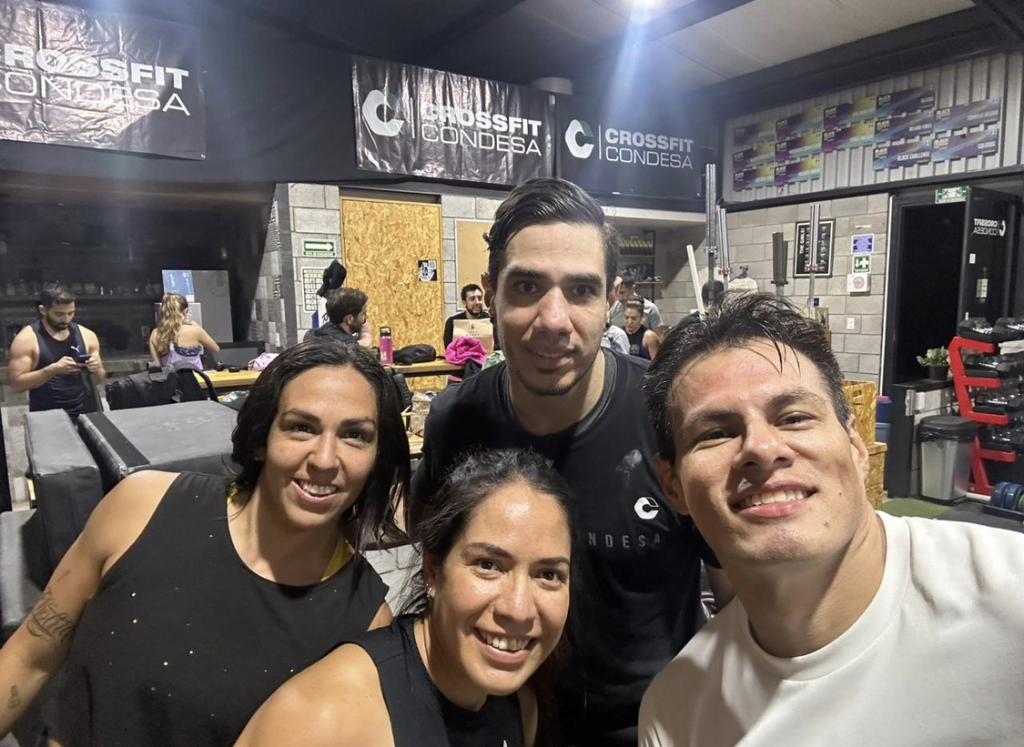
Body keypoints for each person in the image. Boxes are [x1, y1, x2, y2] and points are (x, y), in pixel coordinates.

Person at [640, 292, 1024, 746]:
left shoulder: (1009, 596)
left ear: (857, 447)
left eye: (794, 418)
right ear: (673, 486)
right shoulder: (678, 712)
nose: (762, 448)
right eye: (716, 433)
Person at [411, 177, 715, 746]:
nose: (553, 320)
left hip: (654, 727)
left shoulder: (668, 415)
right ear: (490, 292)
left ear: (611, 300)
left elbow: (740, 598)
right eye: (527, 286)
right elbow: (434, 575)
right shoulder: (455, 422)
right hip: (498, 723)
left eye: (580, 290)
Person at [0, 340, 409, 745]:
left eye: (355, 435)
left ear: (377, 457)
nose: (324, 459)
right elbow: (29, 657)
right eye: (301, 427)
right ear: (261, 437)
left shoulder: (367, 622)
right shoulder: (140, 507)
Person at [239, 448, 577, 747]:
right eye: (487, 565)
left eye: (548, 574)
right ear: (433, 571)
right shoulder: (325, 719)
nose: (518, 609)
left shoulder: (520, 708)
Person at [8, 284, 105, 418]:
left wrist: (96, 368)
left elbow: (99, 379)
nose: (66, 319)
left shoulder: (87, 335)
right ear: (43, 310)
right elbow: (16, 385)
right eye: (59, 314)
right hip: (48, 416)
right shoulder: (26, 339)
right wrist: (51, 370)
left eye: (70, 313)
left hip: (87, 412)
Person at [148, 293, 221, 370]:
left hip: (169, 377)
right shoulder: (195, 330)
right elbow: (215, 349)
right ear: (186, 311)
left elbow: (157, 365)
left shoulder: (155, 333)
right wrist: (197, 327)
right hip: (194, 377)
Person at [304, 287, 368, 346]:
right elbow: (365, 344)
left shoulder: (324, 330)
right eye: (363, 314)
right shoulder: (345, 348)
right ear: (349, 319)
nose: (366, 317)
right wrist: (365, 332)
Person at [443, 283, 491, 349]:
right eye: (472, 299)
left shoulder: (490, 320)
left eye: (479, 298)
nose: (477, 302)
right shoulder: (452, 322)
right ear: (464, 303)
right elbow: (449, 348)